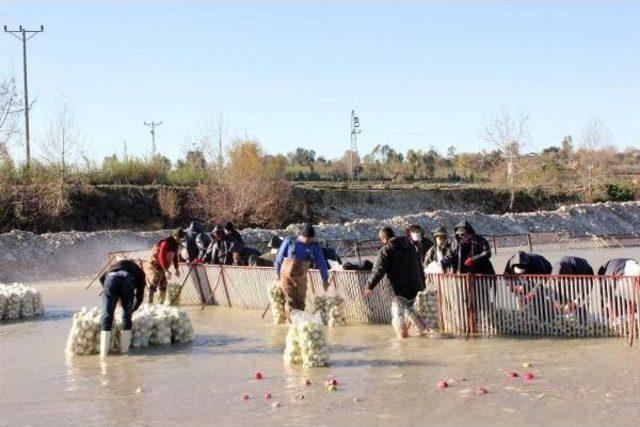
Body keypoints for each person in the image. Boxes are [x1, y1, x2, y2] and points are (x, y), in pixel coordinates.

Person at [363, 226, 429, 338]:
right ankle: (425, 331)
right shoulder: (410, 246)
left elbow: (378, 270)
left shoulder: (386, 249)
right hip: (414, 286)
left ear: (383, 239)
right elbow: (419, 266)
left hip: (398, 290)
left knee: (398, 314)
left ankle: (402, 339)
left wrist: (369, 286)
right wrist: (422, 284)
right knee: (410, 309)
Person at [274, 224, 329, 317]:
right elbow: (279, 259)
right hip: (286, 278)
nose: (308, 242)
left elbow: (322, 264)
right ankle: (289, 324)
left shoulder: (314, 247)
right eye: (307, 239)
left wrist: (325, 280)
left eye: (311, 240)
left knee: (300, 304)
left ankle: (298, 323)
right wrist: (277, 275)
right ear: (302, 236)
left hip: (301, 280)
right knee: (290, 301)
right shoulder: (289, 242)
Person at [99, 259, 146, 358]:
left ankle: (103, 354)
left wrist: (107, 292)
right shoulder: (140, 273)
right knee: (126, 316)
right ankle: (125, 351)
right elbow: (139, 298)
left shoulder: (114, 266)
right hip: (126, 281)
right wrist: (132, 310)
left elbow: (101, 278)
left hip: (110, 279)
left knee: (107, 314)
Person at [145, 235, 181, 304]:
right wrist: (166, 270)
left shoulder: (175, 245)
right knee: (153, 284)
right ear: (176, 237)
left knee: (163, 286)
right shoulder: (165, 243)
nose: (182, 240)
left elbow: (175, 257)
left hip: (162, 267)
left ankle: (160, 304)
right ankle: (149, 304)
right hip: (155, 264)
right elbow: (161, 256)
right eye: (181, 238)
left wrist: (177, 269)